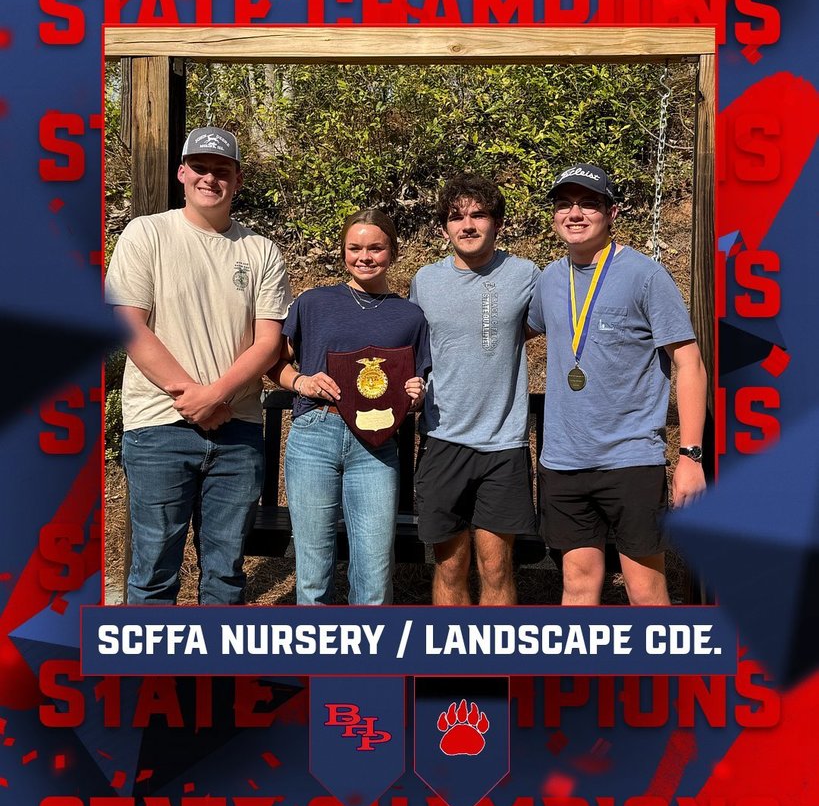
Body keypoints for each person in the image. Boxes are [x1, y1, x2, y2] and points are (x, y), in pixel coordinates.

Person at [105, 126, 293, 604]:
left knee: (226, 572)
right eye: (201, 168)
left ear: (238, 178)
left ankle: (214, 678)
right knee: (153, 570)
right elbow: (130, 326)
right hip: (158, 427)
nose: (211, 178)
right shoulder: (146, 233)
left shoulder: (261, 249)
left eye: (222, 170)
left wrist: (215, 397)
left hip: (238, 428)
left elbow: (268, 342)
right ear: (182, 172)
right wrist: (193, 398)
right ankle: (148, 679)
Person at [528, 162, 707, 606]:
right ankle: (581, 678)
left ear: (612, 213)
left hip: (630, 457)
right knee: (577, 585)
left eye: (589, 203)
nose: (575, 213)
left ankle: (663, 678)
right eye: (564, 204)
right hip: (563, 461)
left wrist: (690, 456)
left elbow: (689, 364)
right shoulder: (549, 280)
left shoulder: (645, 276)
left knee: (645, 590)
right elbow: (510, 334)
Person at [273, 209, 430, 605]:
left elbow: (416, 386)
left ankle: (367, 665)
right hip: (314, 437)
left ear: (392, 252)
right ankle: (313, 664)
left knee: (375, 574)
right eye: (354, 248)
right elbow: (273, 362)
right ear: (342, 251)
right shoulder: (314, 302)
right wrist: (300, 381)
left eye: (375, 248)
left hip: (376, 447)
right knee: (312, 573)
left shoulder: (409, 315)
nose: (364, 256)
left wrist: (416, 393)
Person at [409, 175, 540, 606]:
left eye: (478, 214)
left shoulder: (525, 275)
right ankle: (454, 670)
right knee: (449, 568)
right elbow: (414, 351)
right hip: (442, 438)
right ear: (444, 227)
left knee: (498, 568)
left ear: (497, 222)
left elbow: (538, 328)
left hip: (504, 444)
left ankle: (497, 669)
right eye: (456, 216)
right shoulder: (425, 281)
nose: (467, 225)